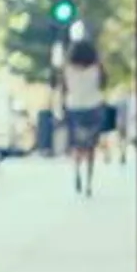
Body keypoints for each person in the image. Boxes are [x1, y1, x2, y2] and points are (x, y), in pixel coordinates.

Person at [59, 40, 106, 196]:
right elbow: (103, 84)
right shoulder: (96, 68)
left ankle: (77, 170)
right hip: (93, 106)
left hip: (74, 106)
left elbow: (63, 88)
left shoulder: (67, 69)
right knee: (91, 146)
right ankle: (88, 182)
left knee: (77, 145)